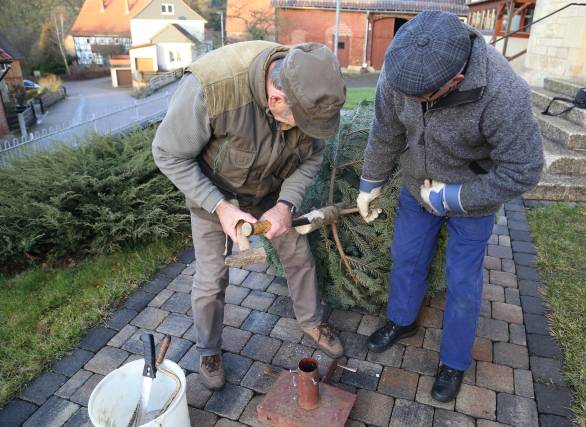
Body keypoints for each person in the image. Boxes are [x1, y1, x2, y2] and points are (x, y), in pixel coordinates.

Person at [357, 11, 544, 402]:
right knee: (406, 257)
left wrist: (453, 197)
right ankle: (401, 320)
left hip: (472, 197)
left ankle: (454, 361)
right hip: (415, 187)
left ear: (454, 81)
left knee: (463, 282)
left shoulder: (502, 92)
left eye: (421, 98)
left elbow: (524, 169)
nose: (408, 101)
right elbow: (385, 131)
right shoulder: (402, 70)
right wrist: (369, 183)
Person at [152, 41, 346, 390]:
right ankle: (209, 349)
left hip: (272, 192)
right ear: (275, 100)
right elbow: (168, 154)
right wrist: (220, 206)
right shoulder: (211, 88)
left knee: (299, 256)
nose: (307, 130)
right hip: (213, 195)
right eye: (300, 123)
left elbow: (313, 156)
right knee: (211, 281)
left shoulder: (310, 87)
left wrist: (286, 205)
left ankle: (312, 320)